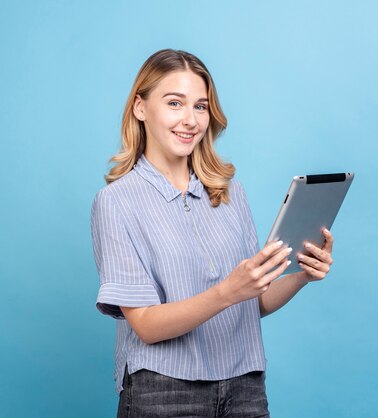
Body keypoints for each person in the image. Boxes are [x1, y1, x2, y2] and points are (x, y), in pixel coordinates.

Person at [91, 49, 335, 418]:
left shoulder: (230, 192)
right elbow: (145, 325)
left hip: (244, 387)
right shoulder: (116, 202)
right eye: (175, 103)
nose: (190, 120)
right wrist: (226, 292)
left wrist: (301, 274)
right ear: (140, 108)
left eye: (200, 107)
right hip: (164, 390)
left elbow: (254, 302)